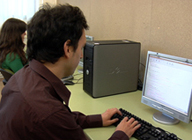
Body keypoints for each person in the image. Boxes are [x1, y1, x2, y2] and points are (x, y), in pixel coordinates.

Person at [0, 4, 140, 140]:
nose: (81, 56)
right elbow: (55, 118)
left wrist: (97, 119)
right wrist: (121, 134)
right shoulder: (49, 112)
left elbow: (63, 119)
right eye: (81, 48)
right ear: (67, 48)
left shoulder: (23, 75)